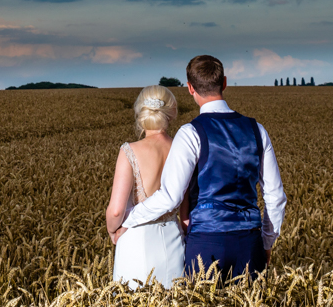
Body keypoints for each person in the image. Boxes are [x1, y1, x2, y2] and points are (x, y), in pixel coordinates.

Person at [116, 55, 286, 280]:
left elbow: (170, 196)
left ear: (189, 88)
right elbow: (275, 197)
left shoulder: (190, 133)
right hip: (249, 242)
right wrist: (265, 243)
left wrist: (128, 219)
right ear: (224, 83)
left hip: (206, 245)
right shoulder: (257, 130)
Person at [105, 85, 187, 288]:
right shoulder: (183, 150)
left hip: (135, 241)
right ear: (172, 113)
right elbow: (186, 211)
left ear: (140, 112)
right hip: (173, 239)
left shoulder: (129, 151)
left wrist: (112, 231)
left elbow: (116, 211)